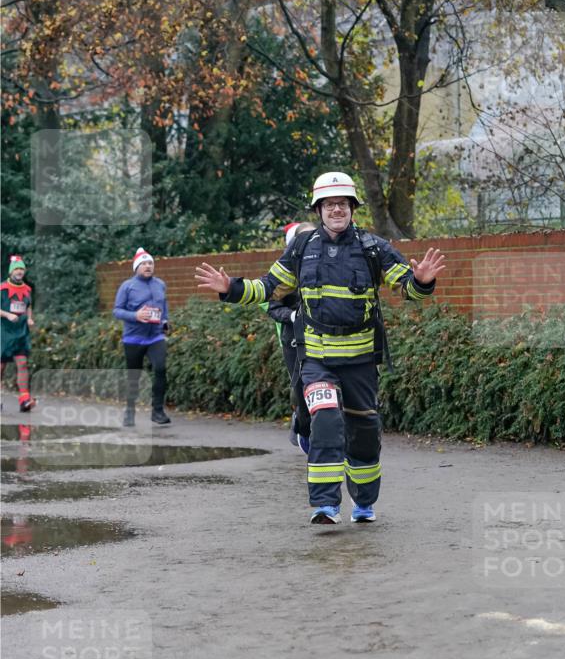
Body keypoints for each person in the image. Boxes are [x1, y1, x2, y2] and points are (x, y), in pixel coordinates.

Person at [196, 171, 446, 525]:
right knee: (326, 419)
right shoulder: (302, 247)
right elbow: (270, 287)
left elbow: (406, 286)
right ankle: (325, 506)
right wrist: (232, 288)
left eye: (342, 203)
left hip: (360, 360)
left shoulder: (372, 247)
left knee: (363, 436)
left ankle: (363, 503)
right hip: (316, 358)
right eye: (329, 204)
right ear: (319, 209)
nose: (336, 210)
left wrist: (422, 281)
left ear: (352, 208)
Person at [265, 222, 316, 455]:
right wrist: (293, 315)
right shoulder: (285, 271)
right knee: (301, 388)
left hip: (325, 339)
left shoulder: (328, 264)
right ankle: (302, 424)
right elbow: (271, 306)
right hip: (293, 339)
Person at [112, 247, 171, 426]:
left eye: (150, 263)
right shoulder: (127, 286)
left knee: (160, 369)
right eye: (144, 263)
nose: (148, 266)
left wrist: (166, 321)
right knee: (134, 377)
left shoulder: (160, 284)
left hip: (155, 336)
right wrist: (135, 316)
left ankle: (158, 411)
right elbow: (117, 310)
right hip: (133, 338)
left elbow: (164, 305)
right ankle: (130, 411)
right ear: (136, 267)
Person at [1, 255, 37, 412]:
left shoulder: (28, 289)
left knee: (22, 363)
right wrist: (7, 315)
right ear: (11, 272)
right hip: (3, 333)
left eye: (21, 269)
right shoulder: (2, 288)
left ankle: (24, 400)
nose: (19, 271)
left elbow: (28, 306)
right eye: (16, 269)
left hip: (20, 332)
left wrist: (29, 319)